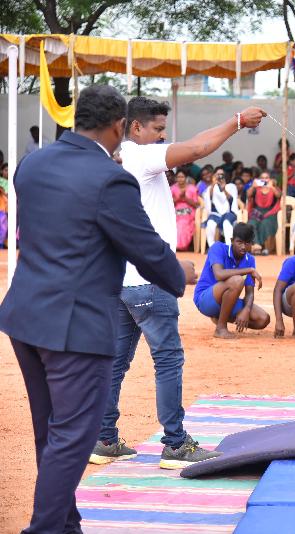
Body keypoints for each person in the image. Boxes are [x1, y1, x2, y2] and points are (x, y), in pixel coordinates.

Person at [0, 85, 186, 534]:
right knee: (72, 438)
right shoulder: (110, 178)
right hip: (75, 325)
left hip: (25, 315)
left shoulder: (32, 164)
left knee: (52, 432)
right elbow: (145, 247)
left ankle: (66, 525)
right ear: (120, 126)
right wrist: (178, 278)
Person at [92, 97, 266, 470]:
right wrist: (238, 120)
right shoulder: (139, 155)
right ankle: (174, 443)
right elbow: (199, 148)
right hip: (150, 281)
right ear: (135, 127)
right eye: (156, 129)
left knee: (117, 363)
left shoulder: (120, 156)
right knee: (167, 361)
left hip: (123, 280)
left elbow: (193, 142)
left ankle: (104, 438)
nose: (161, 137)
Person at [193, 223, 270, 338]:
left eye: (247, 242)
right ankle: (221, 328)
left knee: (263, 319)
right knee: (237, 281)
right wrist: (248, 270)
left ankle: (219, 318)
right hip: (205, 299)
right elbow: (219, 274)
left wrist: (247, 310)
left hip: (227, 301)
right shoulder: (218, 247)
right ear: (232, 240)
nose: (243, 246)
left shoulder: (250, 260)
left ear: (251, 244)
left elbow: (249, 293)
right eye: (239, 242)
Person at [203, 168, 240, 247]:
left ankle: (229, 247)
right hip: (216, 213)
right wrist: (213, 184)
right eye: (218, 175)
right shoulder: (211, 187)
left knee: (226, 223)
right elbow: (209, 199)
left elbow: (231, 200)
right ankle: (212, 246)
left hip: (229, 212)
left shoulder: (231, 186)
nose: (220, 177)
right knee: (210, 224)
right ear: (214, 176)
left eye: (222, 175)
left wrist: (224, 189)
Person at [247, 172, 281, 255]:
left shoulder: (273, 188)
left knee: (265, 224)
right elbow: (248, 194)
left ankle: (265, 248)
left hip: (270, 212)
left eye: (266, 178)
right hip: (257, 211)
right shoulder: (256, 188)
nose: (264, 179)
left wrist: (271, 187)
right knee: (251, 223)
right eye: (262, 178)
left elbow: (279, 195)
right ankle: (257, 245)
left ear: (270, 179)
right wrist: (252, 186)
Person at [171, 168, 200, 251]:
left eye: (182, 177)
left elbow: (196, 204)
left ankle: (181, 246)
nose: (180, 179)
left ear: (186, 178)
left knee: (183, 222)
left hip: (189, 211)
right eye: (178, 177)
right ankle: (176, 245)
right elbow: (168, 203)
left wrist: (185, 198)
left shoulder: (192, 188)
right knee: (176, 222)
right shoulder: (172, 188)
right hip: (175, 210)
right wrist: (179, 198)